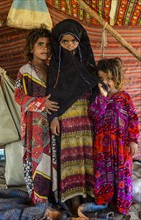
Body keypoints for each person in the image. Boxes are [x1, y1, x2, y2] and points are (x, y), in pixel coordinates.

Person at [46, 19, 100, 214]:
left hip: (87, 120)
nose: (70, 45)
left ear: (80, 41)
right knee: (70, 161)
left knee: (88, 158)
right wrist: (53, 117)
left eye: (74, 41)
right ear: (57, 44)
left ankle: (89, 197)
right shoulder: (55, 67)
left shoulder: (88, 63)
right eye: (65, 42)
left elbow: (96, 92)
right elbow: (50, 94)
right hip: (66, 122)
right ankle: (74, 200)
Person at [88, 57, 139, 214]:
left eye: (109, 78)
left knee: (122, 173)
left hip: (121, 145)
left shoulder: (125, 98)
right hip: (102, 146)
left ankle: (121, 205)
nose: (106, 82)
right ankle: (104, 202)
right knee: (102, 173)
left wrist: (133, 141)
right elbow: (94, 115)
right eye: (102, 78)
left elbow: (133, 120)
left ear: (117, 78)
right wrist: (102, 98)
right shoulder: (97, 98)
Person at [14, 27, 59, 205]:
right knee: (37, 161)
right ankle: (39, 202)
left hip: (51, 124)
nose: (45, 49)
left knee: (53, 162)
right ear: (31, 47)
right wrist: (42, 103)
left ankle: (53, 200)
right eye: (40, 44)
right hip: (34, 129)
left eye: (48, 45)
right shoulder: (25, 71)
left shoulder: (53, 70)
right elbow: (18, 97)